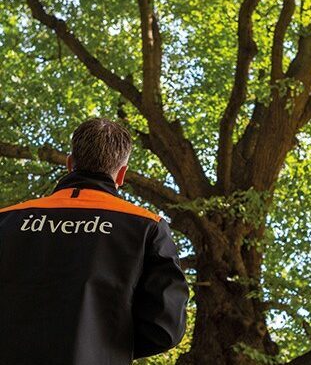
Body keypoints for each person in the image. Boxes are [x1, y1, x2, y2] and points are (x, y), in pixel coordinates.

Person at [0, 117, 190, 364]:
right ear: (121, 174)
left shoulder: (7, 220)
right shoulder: (146, 227)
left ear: (70, 164)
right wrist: (104, 345)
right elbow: (166, 327)